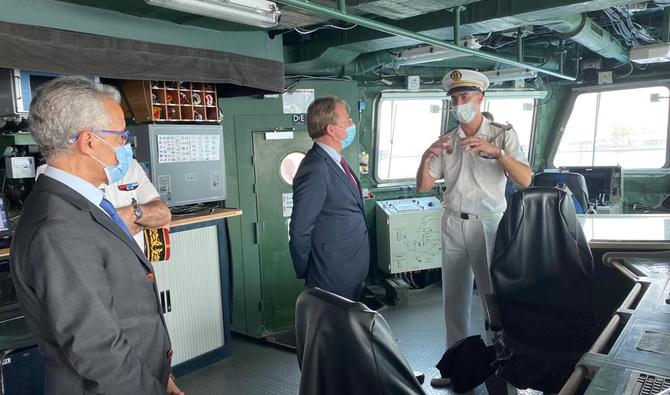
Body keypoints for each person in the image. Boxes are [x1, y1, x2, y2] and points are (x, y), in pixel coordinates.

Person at [10, 76, 183, 394]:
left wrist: (161, 373)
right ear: (89, 142)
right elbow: (98, 349)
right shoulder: (59, 228)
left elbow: (123, 311)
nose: (126, 145)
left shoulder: (83, 202)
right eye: (121, 136)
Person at [415, 69, 532, 387]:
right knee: (453, 300)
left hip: (488, 224)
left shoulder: (502, 134)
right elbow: (424, 185)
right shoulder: (448, 140)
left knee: (492, 300)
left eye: (465, 97)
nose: (459, 103)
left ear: (481, 99)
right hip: (453, 222)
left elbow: (525, 179)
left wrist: (498, 153)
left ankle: (502, 367)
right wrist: (427, 155)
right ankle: (458, 369)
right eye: (454, 98)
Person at [289, 96, 369, 301]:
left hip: (350, 268)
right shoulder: (315, 168)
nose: (352, 124)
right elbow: (300, 229)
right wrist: (312, 271)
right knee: (334, 330)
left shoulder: (335, 160)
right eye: (347, 121)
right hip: (331, 274)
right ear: (331, 130)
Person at [36, 159, 171, 251]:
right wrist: (143, 222)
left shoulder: (130, 165)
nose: (124, 143)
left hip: (136, 268)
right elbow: (72, 235)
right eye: (119, 135)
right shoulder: (55, 173)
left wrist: (133, 212)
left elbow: (163, 214)